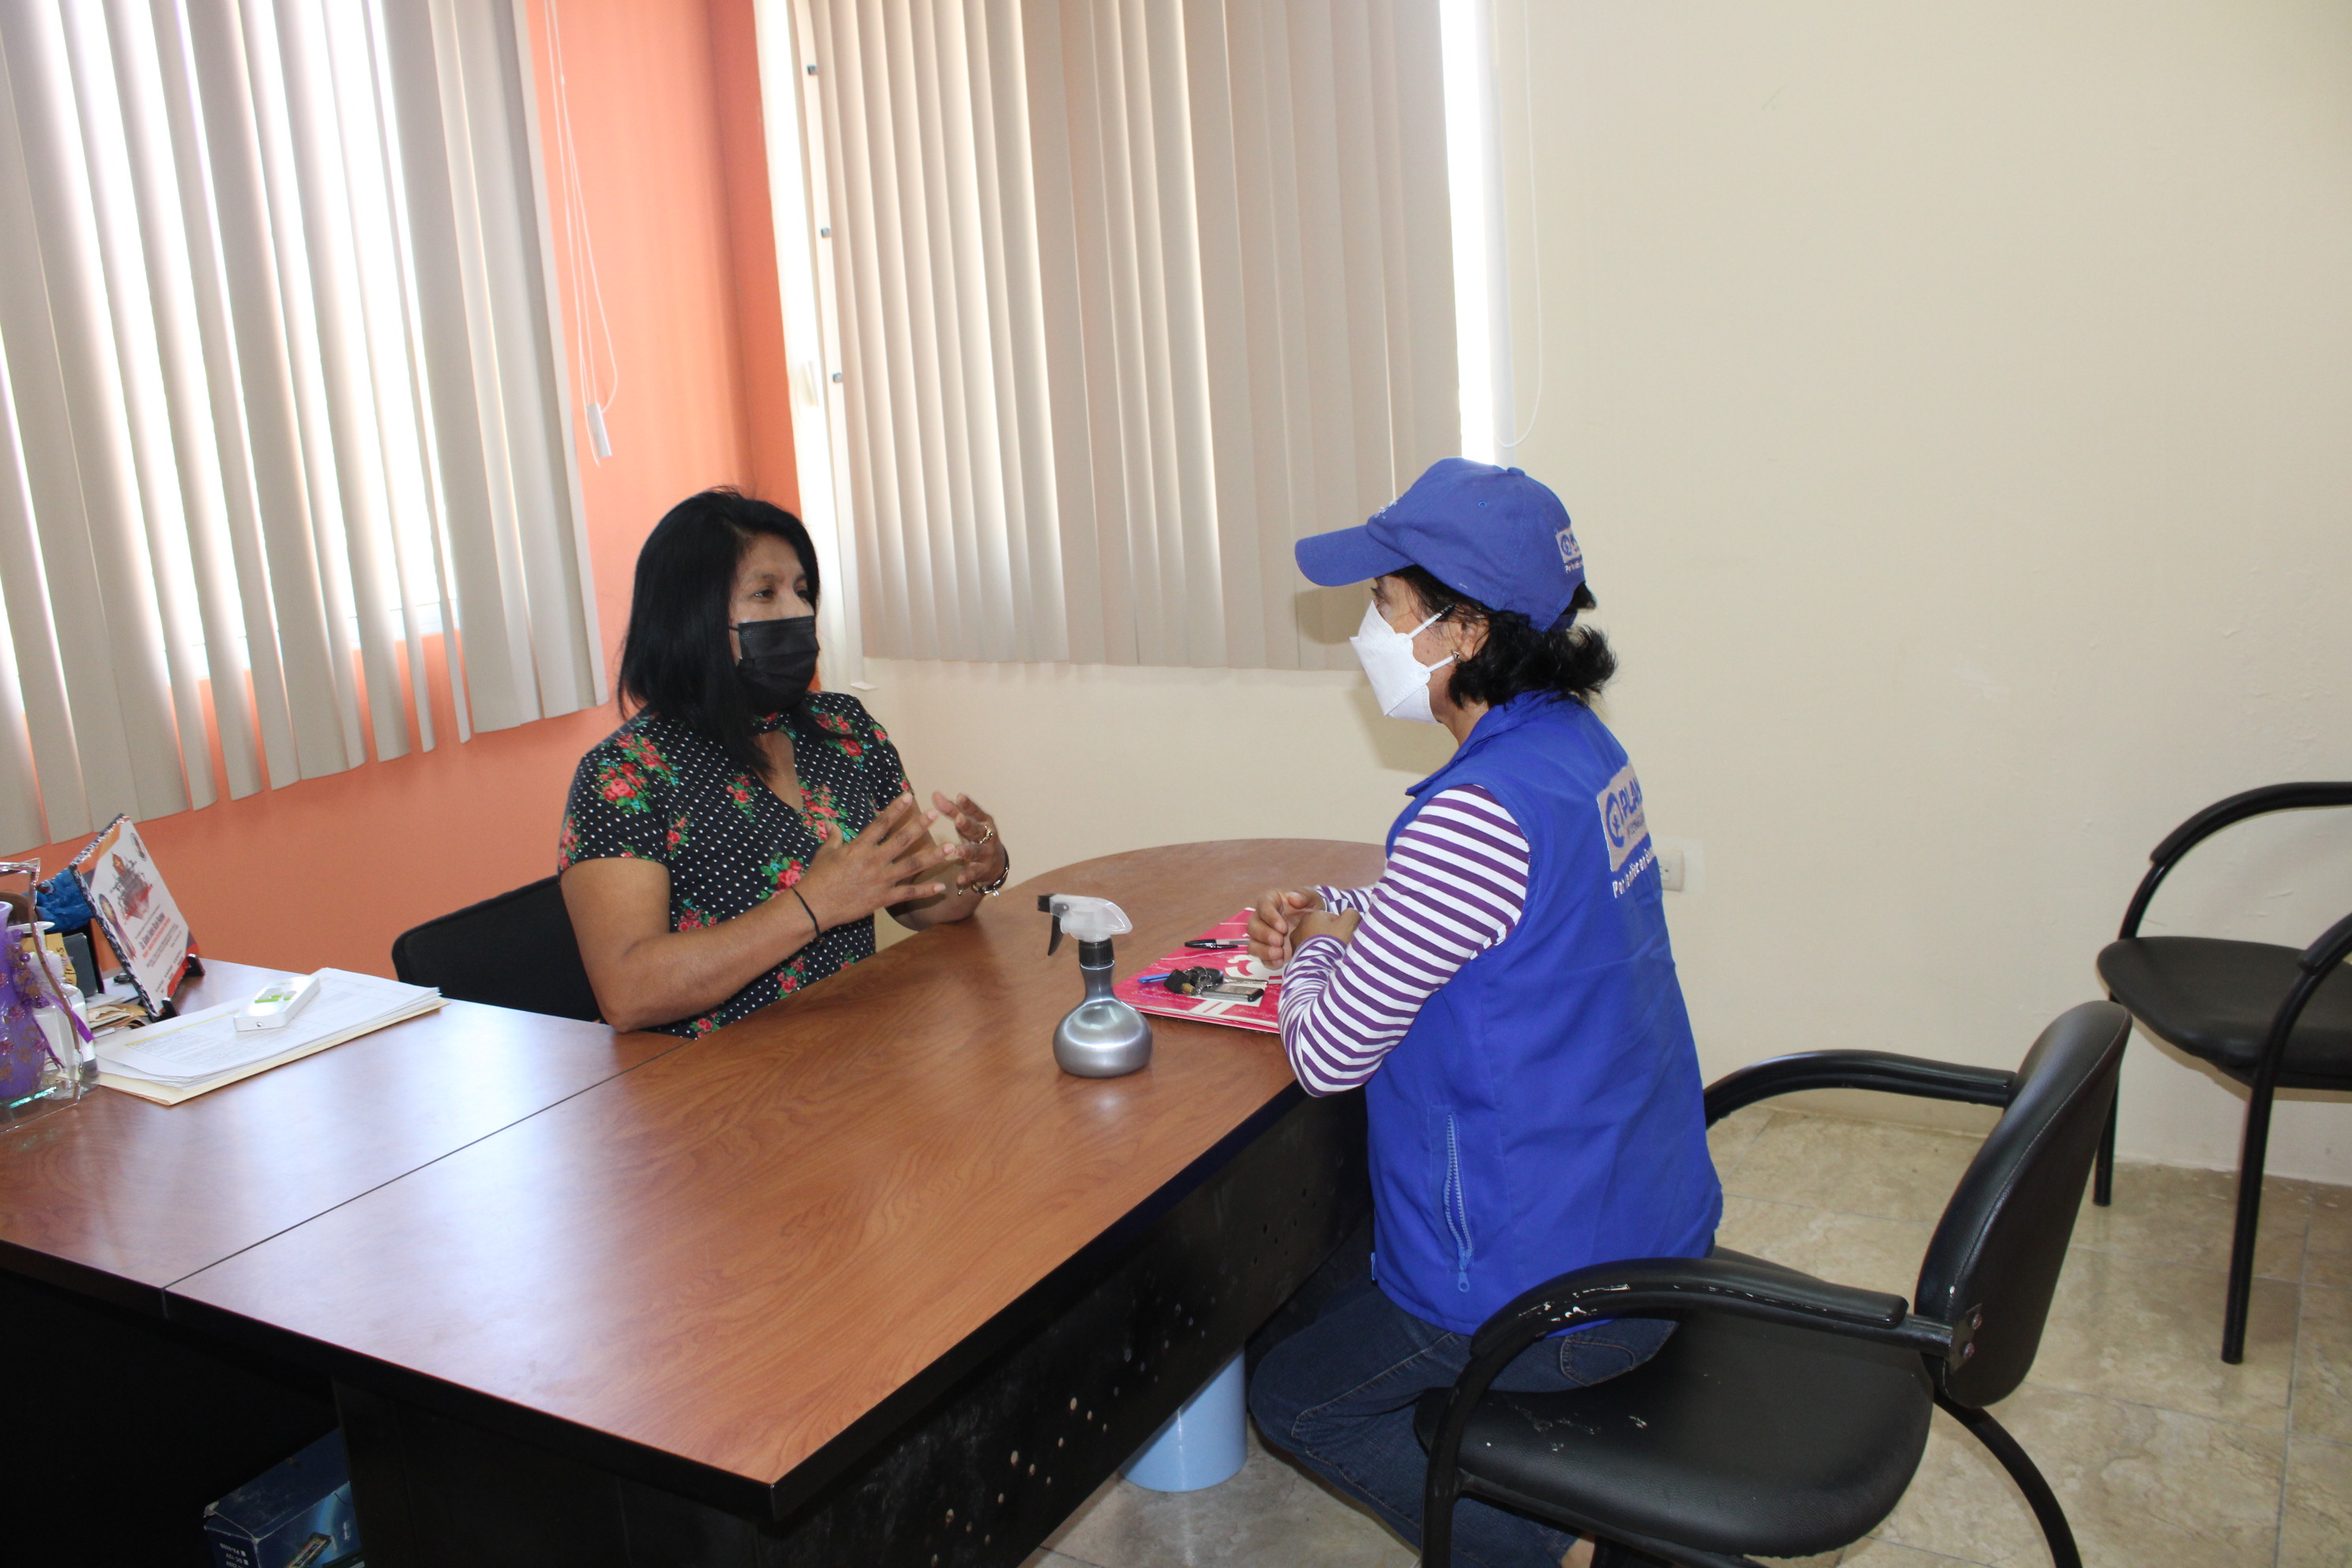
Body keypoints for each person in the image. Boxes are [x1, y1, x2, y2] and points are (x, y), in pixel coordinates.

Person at [1244, 460, 1721, 1568]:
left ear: (1462, 631)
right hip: (1644, 1227)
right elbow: (1492, 916)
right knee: (1330, 1275)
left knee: (1296, 1399)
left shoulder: (1470, 816)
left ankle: (1556, 1552)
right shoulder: (1579, 751)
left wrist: (1307, 954)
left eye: (1384, 603)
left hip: (1544, 1295)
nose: (1366, 629)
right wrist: (1345, 911)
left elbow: (1325, 1055)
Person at [559, 490, 1011, 1035]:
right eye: (765, 592)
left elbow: (925, 903)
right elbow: (627, 992)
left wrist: (982, 871)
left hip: (855, 1048)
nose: (798, 612)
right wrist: (812, 905)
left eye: (801, 591)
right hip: (709, 1075)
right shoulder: (624, 774)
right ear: (691, 617)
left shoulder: (844, 727)